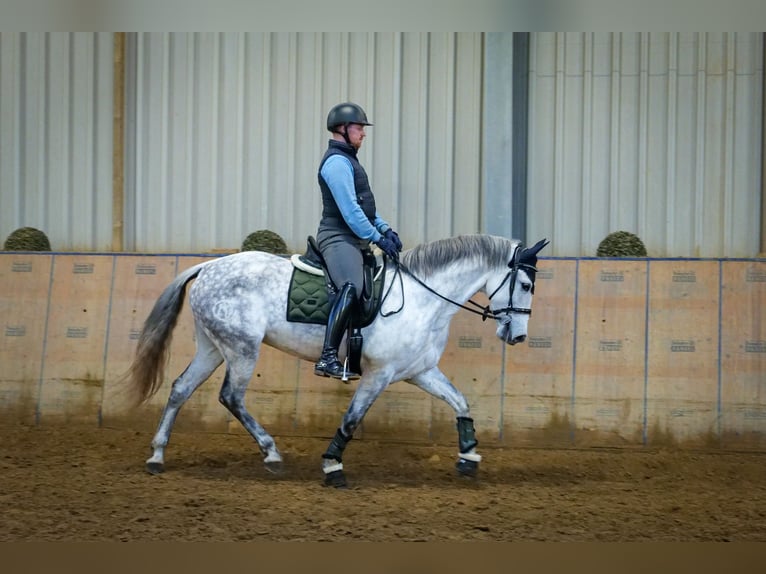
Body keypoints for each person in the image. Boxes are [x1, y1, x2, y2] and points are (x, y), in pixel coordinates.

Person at [313, 102, 403, 380]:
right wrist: (377, 237)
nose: (363, 133)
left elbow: (364, 207)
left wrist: (385, 229)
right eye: (359, 127)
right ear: (342, 129)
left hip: (354, 238)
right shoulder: (337, 163)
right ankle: (328, 356)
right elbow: (350, 212)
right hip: (337, 237)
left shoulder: (349, 160)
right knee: (351, 286)